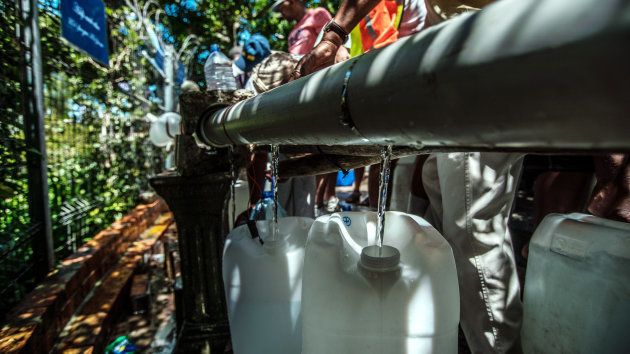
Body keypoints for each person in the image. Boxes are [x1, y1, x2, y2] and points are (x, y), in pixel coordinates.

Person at [292, 1, 524, 353]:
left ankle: (497, 348)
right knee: (440, 214)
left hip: (479, 55)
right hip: (455, 61)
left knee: (471, 228)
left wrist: (335, 33)